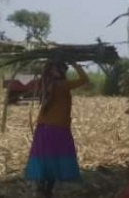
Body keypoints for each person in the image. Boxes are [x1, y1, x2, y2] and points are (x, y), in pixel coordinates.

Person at [25, 61, 89, 198]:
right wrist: (76, 64)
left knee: (45, 158)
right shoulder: (62, 85)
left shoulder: (47, 83)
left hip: (44, 128)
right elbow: (84, 79)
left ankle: (43, 187)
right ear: (57, 72)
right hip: (57, 128)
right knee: (55, 158)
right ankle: (46, 189)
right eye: (62, 69)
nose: (64, 71)